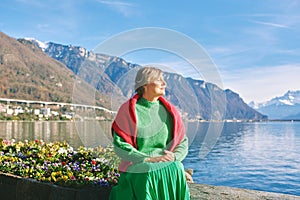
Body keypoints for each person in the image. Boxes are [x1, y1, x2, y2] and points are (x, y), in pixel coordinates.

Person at [109, 66, 190, 200]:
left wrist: (175, 156)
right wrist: (148, 158)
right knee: (148, 170)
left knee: (177, 166)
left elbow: (183, 141)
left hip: (166, 161)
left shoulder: (171, 112)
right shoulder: (129, 110)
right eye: (159, 80)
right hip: (137, 165)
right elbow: (120, 145)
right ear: (145, 84)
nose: (164, 84)